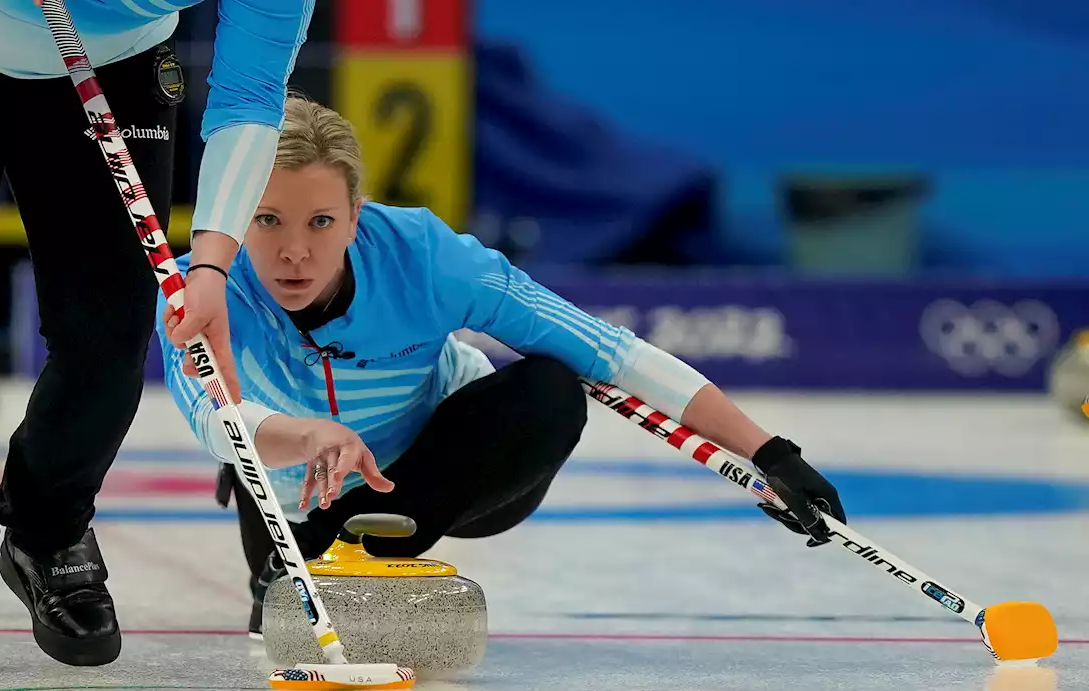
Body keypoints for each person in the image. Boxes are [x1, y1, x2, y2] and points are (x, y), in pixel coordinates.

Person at [158, 96, 849, 637]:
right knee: (253, 431)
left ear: (356, 216)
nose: (294, 253)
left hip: (438, 474)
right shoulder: (200, 291)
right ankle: (288, 542)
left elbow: (611, 353)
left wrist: (772, 453)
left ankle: (362, 552)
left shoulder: (425, 255)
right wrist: (301, 433)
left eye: (320, 223)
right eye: (268, 220)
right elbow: (215, 418)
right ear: (234, 217)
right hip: (286, 471)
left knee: (552, 387)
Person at [0, 0, 307, 669]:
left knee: (111, 329)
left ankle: (47, 529)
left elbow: (251, 92)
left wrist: (211, 264)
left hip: (115, 59)